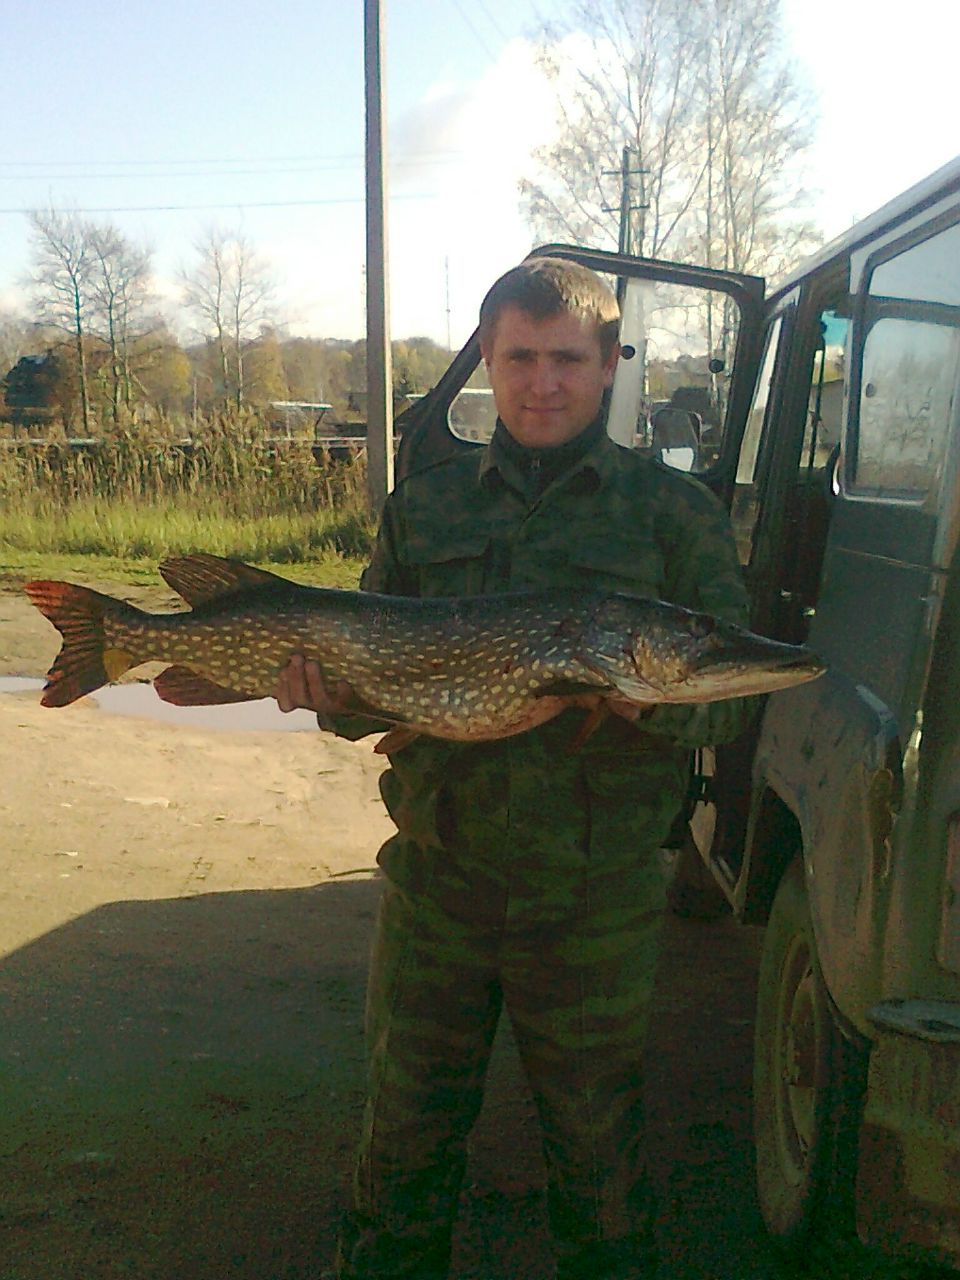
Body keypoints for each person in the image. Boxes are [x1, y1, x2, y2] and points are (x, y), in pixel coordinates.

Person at [277, 257, 751, 1280]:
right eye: (520, 357)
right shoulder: (426, 509)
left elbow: (733, 693)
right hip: (439, 884)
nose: (543, 381)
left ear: (612, 364)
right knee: (400, 1146)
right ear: (488, 359)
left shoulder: (676, 518)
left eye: (568, 359)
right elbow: (370, 690)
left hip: (595, 899)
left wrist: (636, 701)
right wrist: (326, 694)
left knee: (597, 1162)